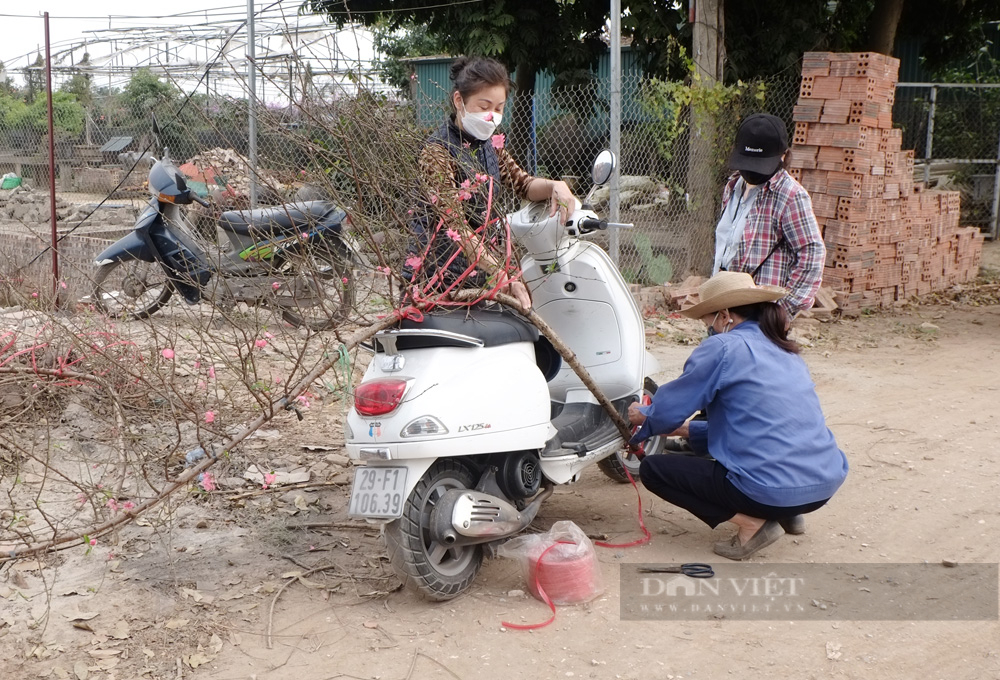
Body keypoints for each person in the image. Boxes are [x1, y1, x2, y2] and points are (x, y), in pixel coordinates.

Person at [628, 271, 848, 560]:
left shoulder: (723, 347)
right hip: (823, 484)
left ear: (724, 316)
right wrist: (683, 431)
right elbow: (756, 425)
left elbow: (669, 408)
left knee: (654, 471)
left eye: (709, 322)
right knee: (758, 447)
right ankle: (788, 513)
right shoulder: (785, 350)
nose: (709, 329)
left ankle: (753, 524)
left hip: (771, 489)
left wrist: (643, 417)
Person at [404, 56, 577, 309]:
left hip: (478, 271)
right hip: (438, 277)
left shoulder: (490, 147)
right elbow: (456, 229)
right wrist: (501, 274)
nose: (492, 116)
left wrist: (555, 186)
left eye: (499, 108)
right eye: (484, 106)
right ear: (458, 100)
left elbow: (524, 185)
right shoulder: (437, 152)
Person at [715, 113, 825, 319]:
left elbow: (813, 255)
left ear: (783, 156)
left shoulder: (791, 195)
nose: (752, 170)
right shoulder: (732, 187)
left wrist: (782, 311)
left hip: (762, 316)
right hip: (725, 310)